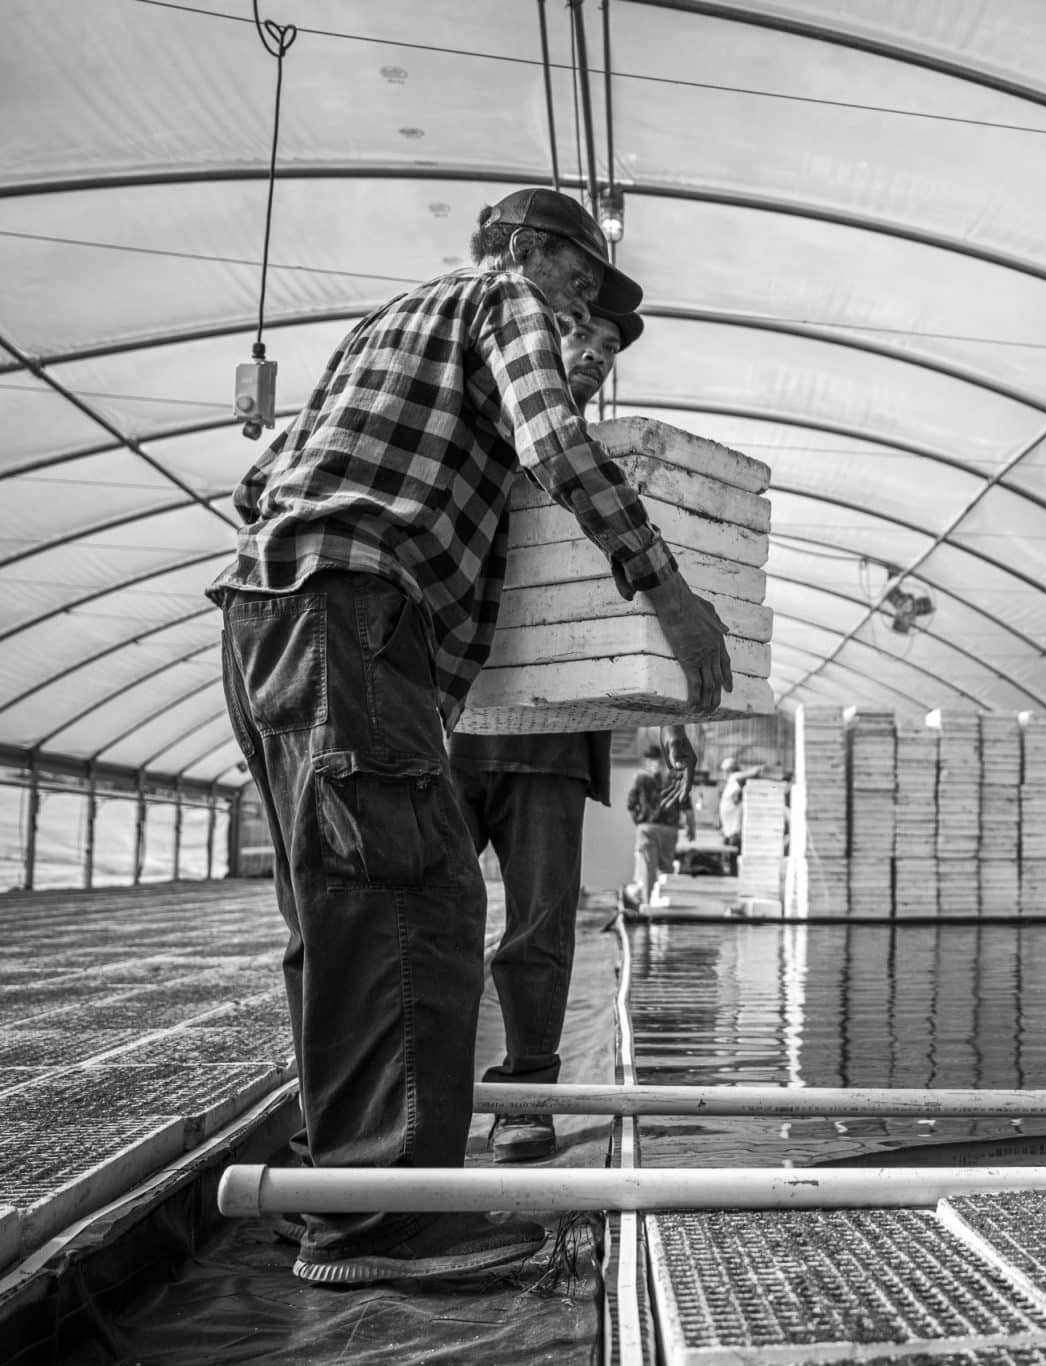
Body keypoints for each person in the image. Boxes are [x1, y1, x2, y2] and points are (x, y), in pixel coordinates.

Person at [211, 186, 731, 1285]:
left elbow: (261, 485)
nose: (578, 308)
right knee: (414, 908)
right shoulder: (502, 299)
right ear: (526, 250)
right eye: (577, 280)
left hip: (268, 613)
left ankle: (333, 1184)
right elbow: (555, 442)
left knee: (336, 917)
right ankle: (385, 1221)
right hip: (356, 615)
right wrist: (669, 592)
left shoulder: (381, 326)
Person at [447, 304, 644, 1165]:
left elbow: (628, 612)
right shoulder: (470, 434)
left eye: (606, 350)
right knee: (425, 922)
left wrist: (668, 717)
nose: (593, 357)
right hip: (452, 726)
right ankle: (409, 1099)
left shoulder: (611, 473)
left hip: (556, 741)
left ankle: (525, 1096)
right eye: (579, 337)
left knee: (540, 929)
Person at [625, 737, 690, 907]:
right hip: (669, 828)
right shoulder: (675, 777)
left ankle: (648, 905)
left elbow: (631, 804)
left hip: (648, 827)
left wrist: (639, 821)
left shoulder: (641, 778)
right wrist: (691, 826)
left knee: (648, 867)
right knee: (666, 868)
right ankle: (665, 904)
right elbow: (686, 803)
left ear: (647, 760)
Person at [716, 755, 765, 874]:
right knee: (730, 861)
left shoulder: (735, 777)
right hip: (729, 830)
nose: (724, 774)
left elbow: (750, 774)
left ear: (729, 770)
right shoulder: (732, 782)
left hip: (734, 831)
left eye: (725, 771)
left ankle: (733, 879)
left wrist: (760, 769)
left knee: (734, 861)